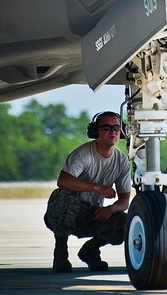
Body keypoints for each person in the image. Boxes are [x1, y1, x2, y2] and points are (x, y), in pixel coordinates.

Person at [43, 112, 132, 273]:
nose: (112, 131)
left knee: (127, 224)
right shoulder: (83, 154)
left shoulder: (122, 161)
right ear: (95, 131)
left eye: (116, 127)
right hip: (66, 214)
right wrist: (97, 187)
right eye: (106, 127)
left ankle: (91, 251)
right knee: (65, 195)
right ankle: (60, 254)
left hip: (93, 215)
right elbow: (63, 181)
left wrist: (110, 209)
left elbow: (125, 200)